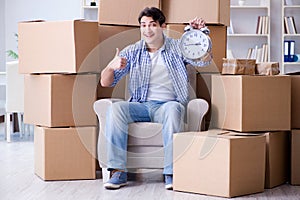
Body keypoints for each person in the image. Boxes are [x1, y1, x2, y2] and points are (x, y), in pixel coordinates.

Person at [100, 7, 212, 190]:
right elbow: (105, 83)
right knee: (116, 109)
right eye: (143, 25)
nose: (147, 30)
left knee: (173, 109)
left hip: (167, 105)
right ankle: (118, 172)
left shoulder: (177, 47)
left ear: (163, 26)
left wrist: (200, 35)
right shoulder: (133, 51)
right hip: (140, 106)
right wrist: (111, 67)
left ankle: (171, 172)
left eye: (152, 24)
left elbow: (204, 60)